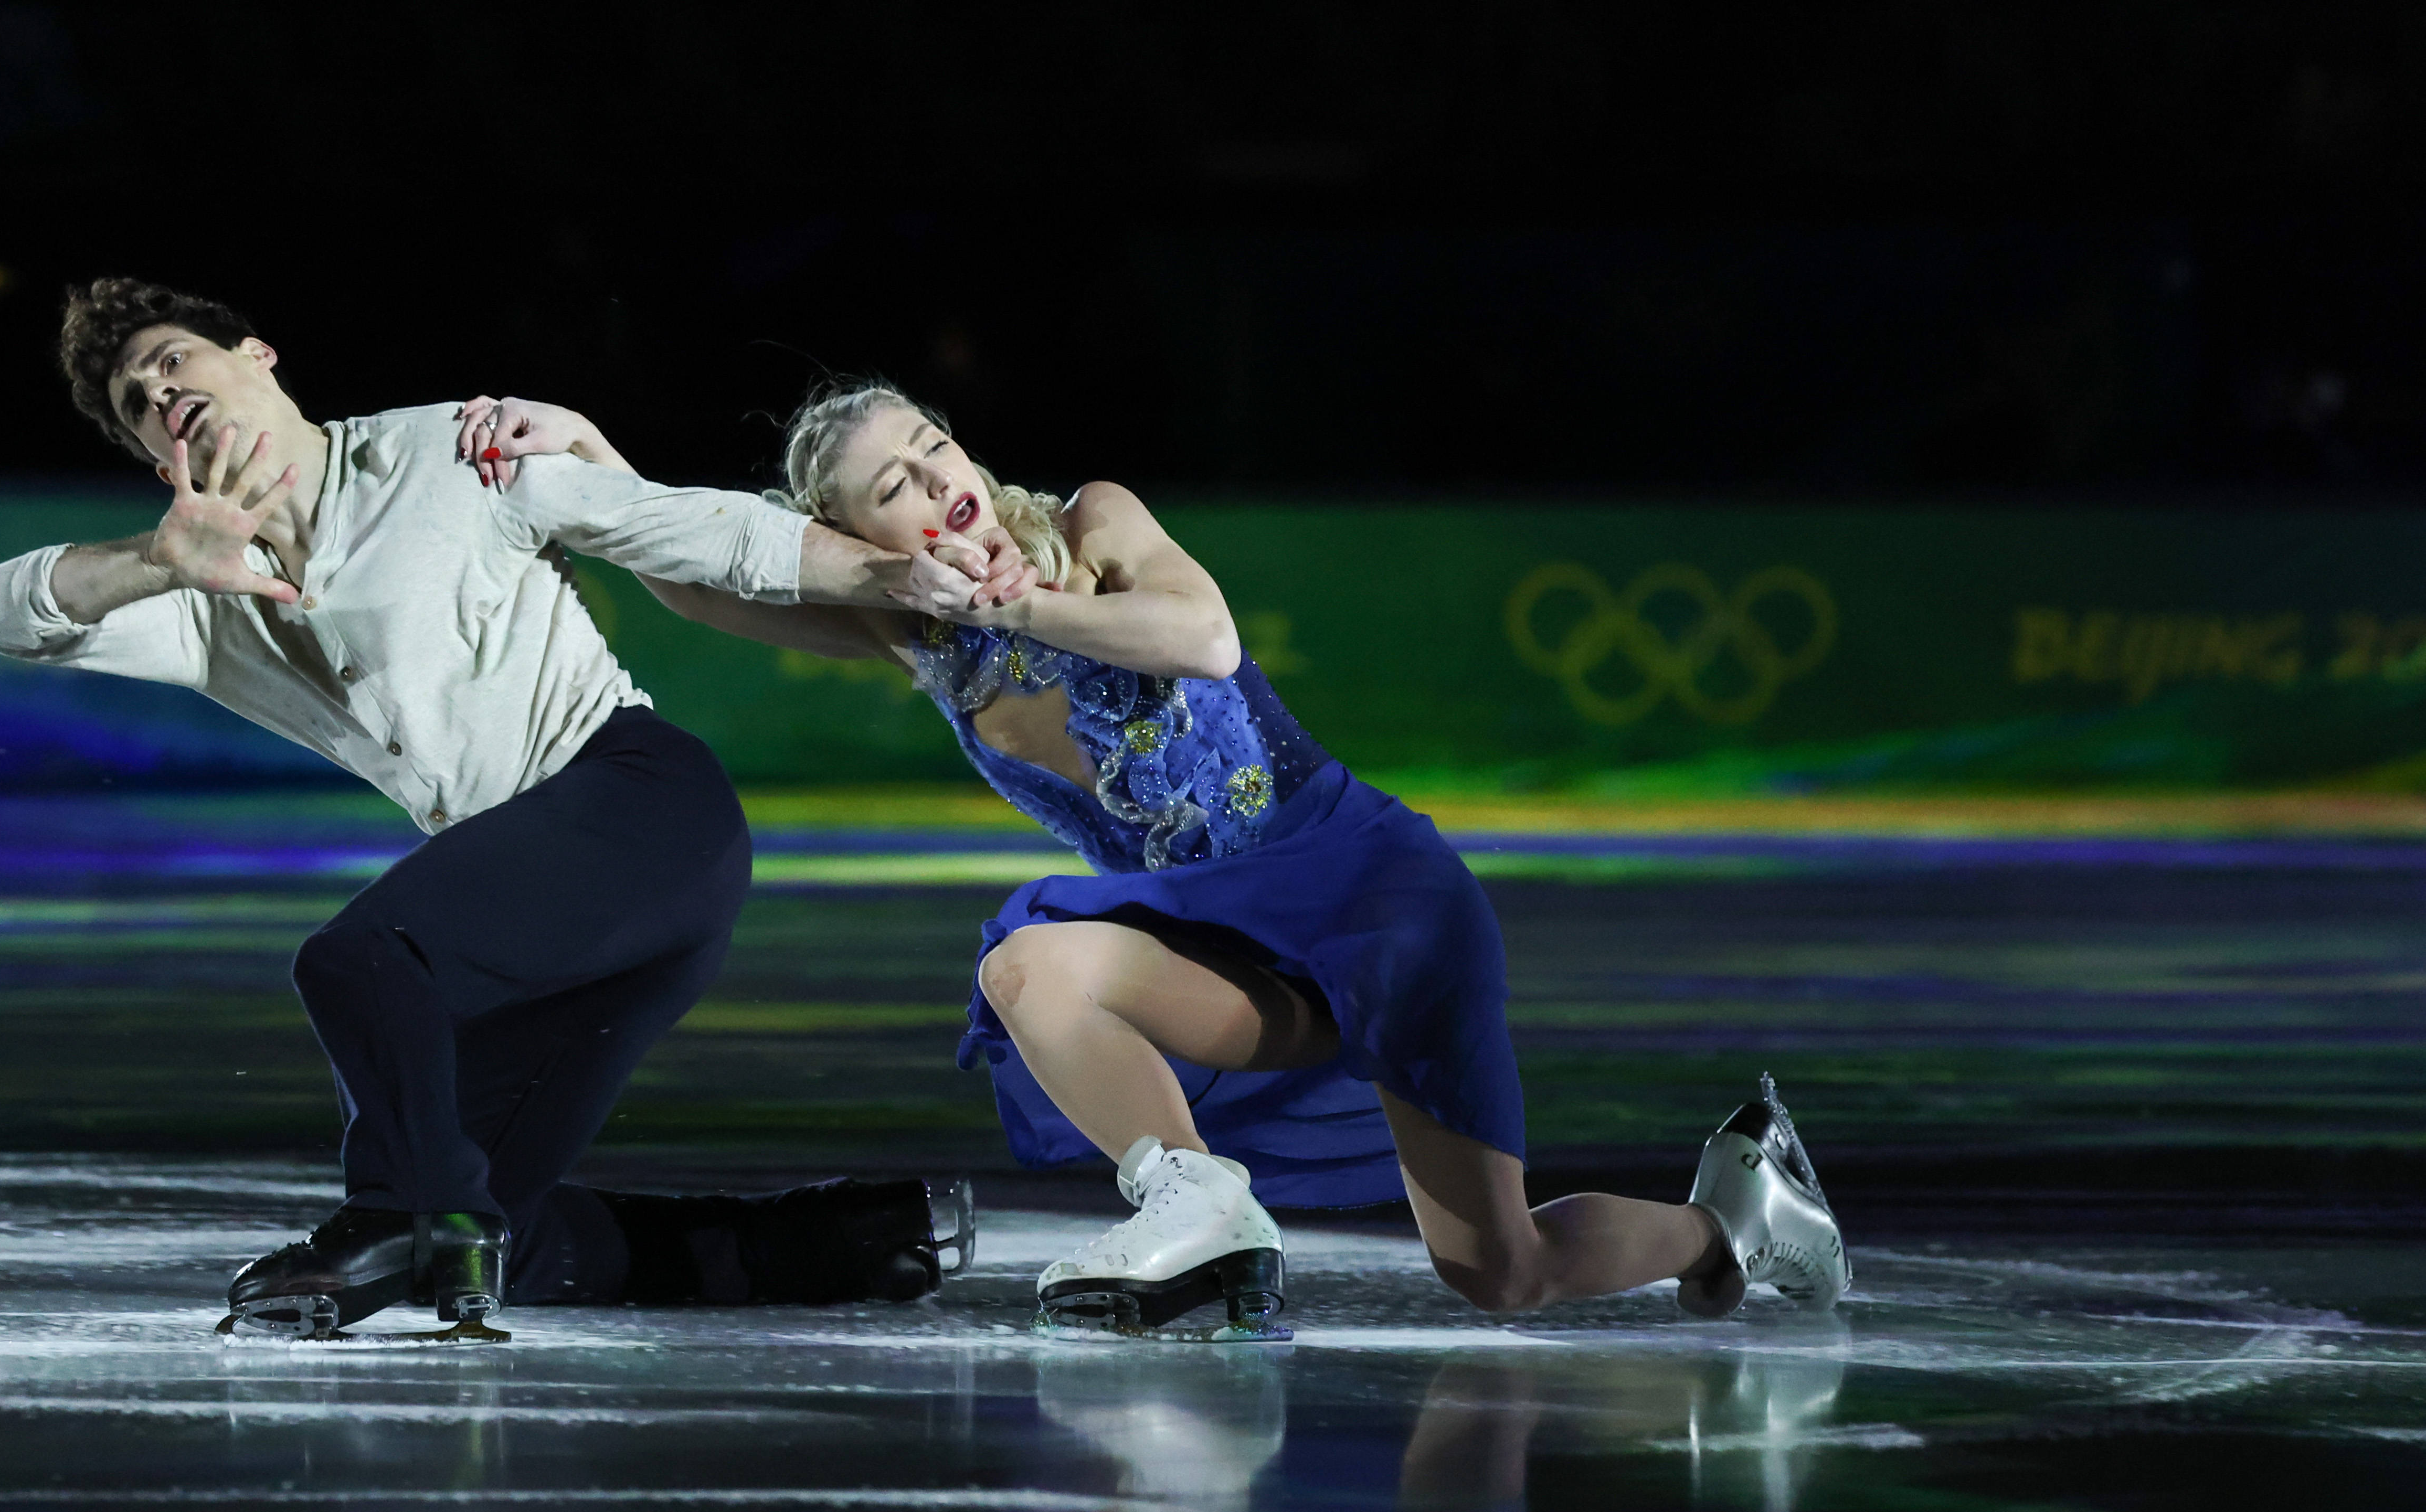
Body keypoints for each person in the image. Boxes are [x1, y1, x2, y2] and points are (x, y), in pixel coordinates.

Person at [460, 384, 1851, 1335]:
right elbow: (692, 580)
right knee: (1032, 964)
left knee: (1498, 1267)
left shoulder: (1094, 524)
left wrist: (1047, 605)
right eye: (893, 487)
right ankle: (1194, 1206)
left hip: (1373, 896)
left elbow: (1205, 642)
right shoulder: (919, 635)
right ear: (859, 539)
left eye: (932, 448)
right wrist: (588, 448)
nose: (937, 482)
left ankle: (1728, 1215)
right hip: (1224, 939)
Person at [0, 282, 1013, 1339]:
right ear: (151, 457)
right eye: (139, 400)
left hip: (644, 811)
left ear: (258, 354)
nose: (162, 390)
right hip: (546, 910)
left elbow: (695, 531)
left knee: (361, 964)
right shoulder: (193, 597)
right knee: (501, 1229)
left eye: (176, 359)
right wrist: (151, 561)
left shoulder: (447, 453)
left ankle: (390, 1215)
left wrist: (893, 573)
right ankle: (852, 1235)